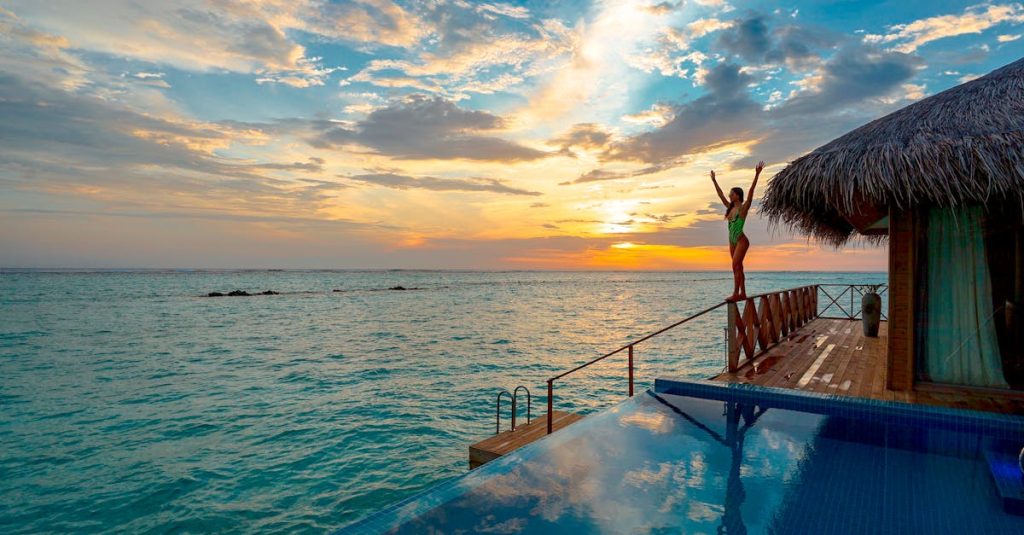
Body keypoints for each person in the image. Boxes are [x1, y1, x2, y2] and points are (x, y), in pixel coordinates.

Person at [710, 161, 764, 301]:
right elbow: (720, 195)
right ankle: (743, 293)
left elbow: (751, 193)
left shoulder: (743, 208)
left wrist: (757, 175)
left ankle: (735, 293)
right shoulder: (730, 208)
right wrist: (714, 180)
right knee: (738, 267)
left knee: (734, 266)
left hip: (741, 240)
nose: (729, 196)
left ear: (738, 196)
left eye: (732, 194)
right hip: (732, 241)